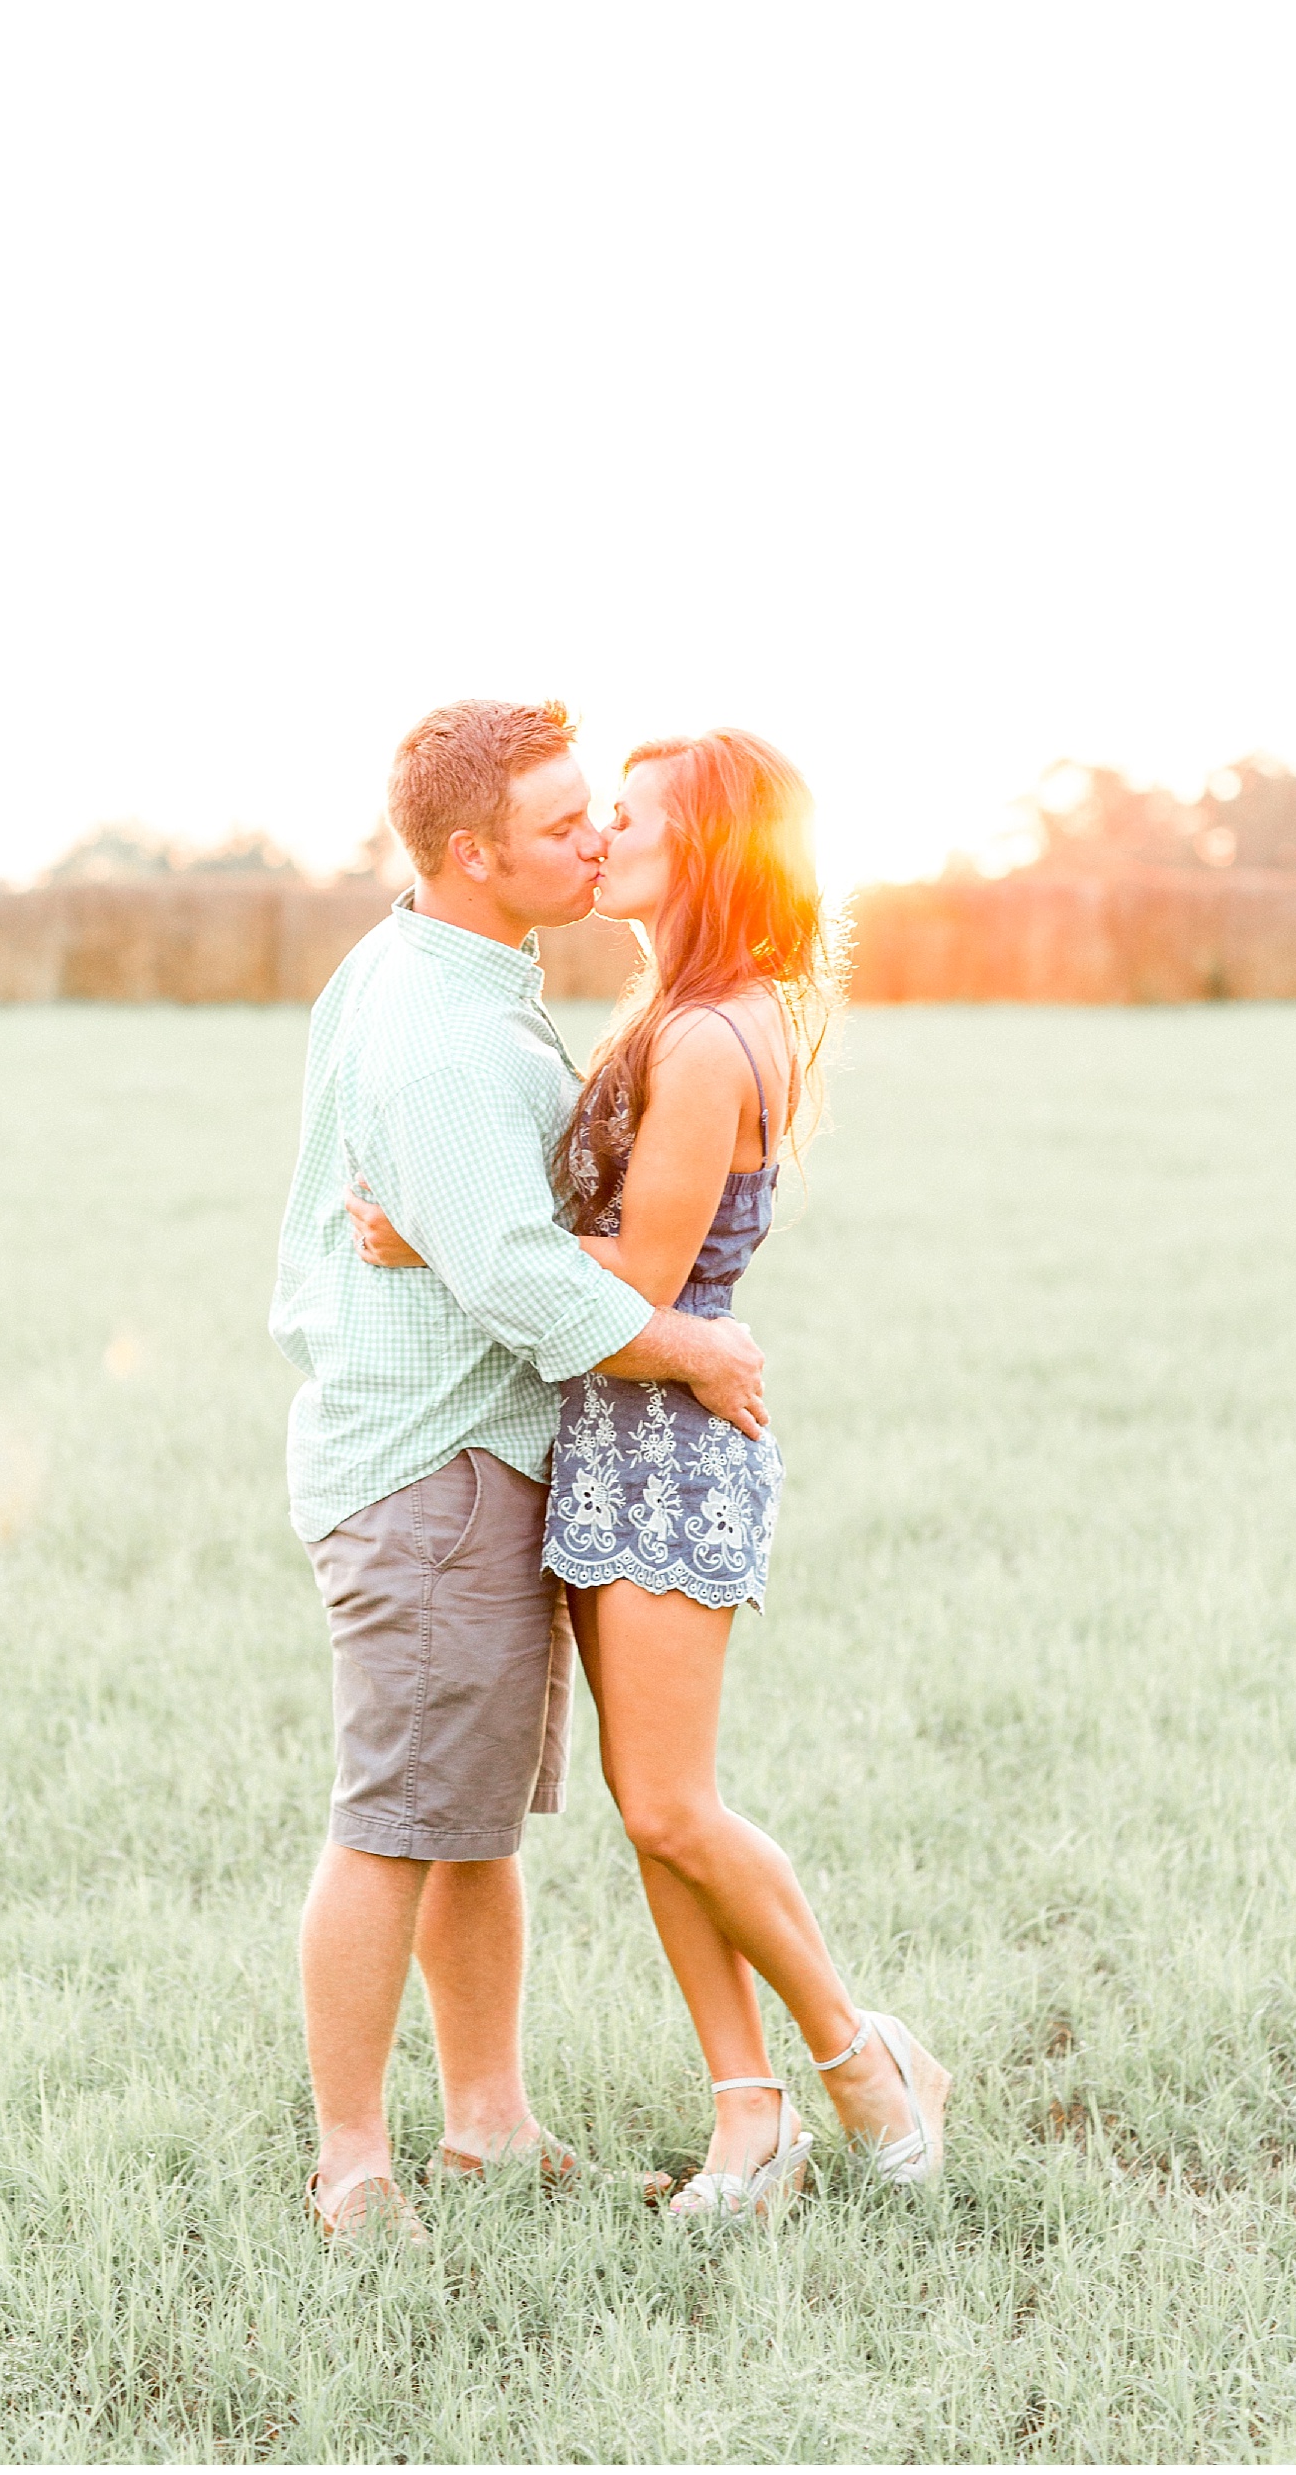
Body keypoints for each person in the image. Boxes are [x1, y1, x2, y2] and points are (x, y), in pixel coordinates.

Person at [349, 729, 951, 2213]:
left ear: (713, 856)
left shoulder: (702, 1036)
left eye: (637, 817)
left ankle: (861, 2056)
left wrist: (441, 1231)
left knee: (675, 1804)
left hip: (669, 1443)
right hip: (615, 1440)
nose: (604, 833)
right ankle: (746, 2114)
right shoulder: (674, 1010)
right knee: (651, 1800)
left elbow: (635, 1274)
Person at [269, 699, 771, 2243]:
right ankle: (355, 2166)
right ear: (475, 853)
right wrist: (699, 1350)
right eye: (564, 824)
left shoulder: (447, 969)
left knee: (469, 1821)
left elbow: (485, 1229)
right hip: (436, 1470)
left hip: (477, 1460)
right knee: (391, 1822)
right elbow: (530, 1281)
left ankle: (489, 2127)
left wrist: (445, 1230)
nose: (596, 837)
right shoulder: (440, 1033)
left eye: (597, 812)